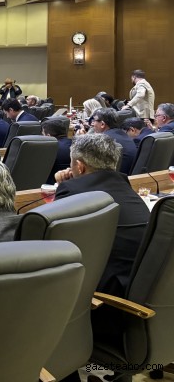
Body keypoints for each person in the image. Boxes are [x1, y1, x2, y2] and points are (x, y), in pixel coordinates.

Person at [54, 134, 149, 296]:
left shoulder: (71, 189)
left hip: (107, 293)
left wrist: (63, 185)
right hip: (141, 284)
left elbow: (56, 238)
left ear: (79, 166)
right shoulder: (124, 185)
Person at [87, 108, 137, 175]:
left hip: (114, 178)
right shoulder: (123, 134)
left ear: (102, 124)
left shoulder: (103, 140)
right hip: (128, 176)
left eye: (94, 120)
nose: (92, 124)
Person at [41, 118, 72, 184]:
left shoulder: (48, 150)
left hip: (52, 186)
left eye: (43, 135)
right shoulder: (76, 144)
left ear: (48, 136)